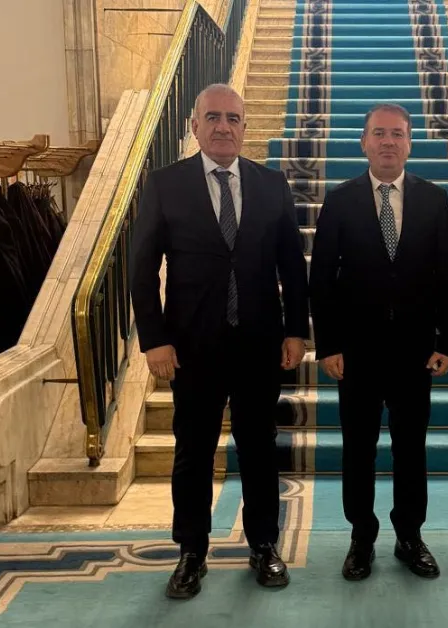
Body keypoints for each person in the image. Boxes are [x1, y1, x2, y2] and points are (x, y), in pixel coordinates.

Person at [128, 83, 309, 598]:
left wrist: (296, 329)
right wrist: (154, 339)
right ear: (195, 126)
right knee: (193, 451)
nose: (223, 127)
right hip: (191, 347)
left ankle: (264, 545)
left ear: (245, 127)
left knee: (259, 448)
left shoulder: (272, 184)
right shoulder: (165, 184)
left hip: (259, 343)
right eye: (213, 117)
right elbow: (141, 269)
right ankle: (191, 552)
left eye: (232, 118)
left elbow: (291, 265)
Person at [309, 103, 448, 581]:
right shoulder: (339, 200)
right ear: (364, 142)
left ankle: (410, 536)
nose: (388, 141)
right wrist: (328, 345)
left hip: (416, 352)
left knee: (410, 448)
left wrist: (447, 342)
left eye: (397, 133)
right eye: (379, 133)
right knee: (358, 448)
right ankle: (361, 537)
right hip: (356, 352)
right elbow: (321, 280)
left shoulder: (434, 199)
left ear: (410, 143)